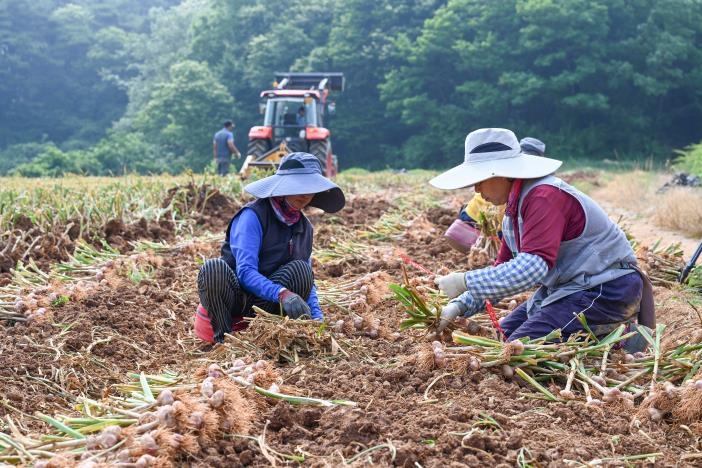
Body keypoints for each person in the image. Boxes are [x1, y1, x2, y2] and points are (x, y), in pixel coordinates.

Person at [429, 128, 655, 350]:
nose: (476, 189)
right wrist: (459, 305)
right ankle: (598, 331)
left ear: (504, 173)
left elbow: (532, 268)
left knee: (516, 348)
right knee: (500, 337)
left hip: (606, 288)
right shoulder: (513, 212)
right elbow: (504, 272)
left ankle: (621, 338)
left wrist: (464, 281)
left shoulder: (543, 196)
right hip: (571, 290)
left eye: (480, 179)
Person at [195, 152, 345, 343]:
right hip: (235, 297)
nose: (306, 194)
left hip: (267, 304)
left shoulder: (304, 228)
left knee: (301, 271)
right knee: (213, 268)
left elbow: (308, 281)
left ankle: (274, 338)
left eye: (311, 187)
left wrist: (318, 320)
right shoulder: (253, 216)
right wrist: (282, 293)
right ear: (284, 185)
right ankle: (224, 341)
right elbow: (245, 272)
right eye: (301, 185)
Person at [444, 137, 546, 253]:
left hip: (470, 217)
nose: (477, 189)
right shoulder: (525, 189)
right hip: (497, 229)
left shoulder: (535, 195)